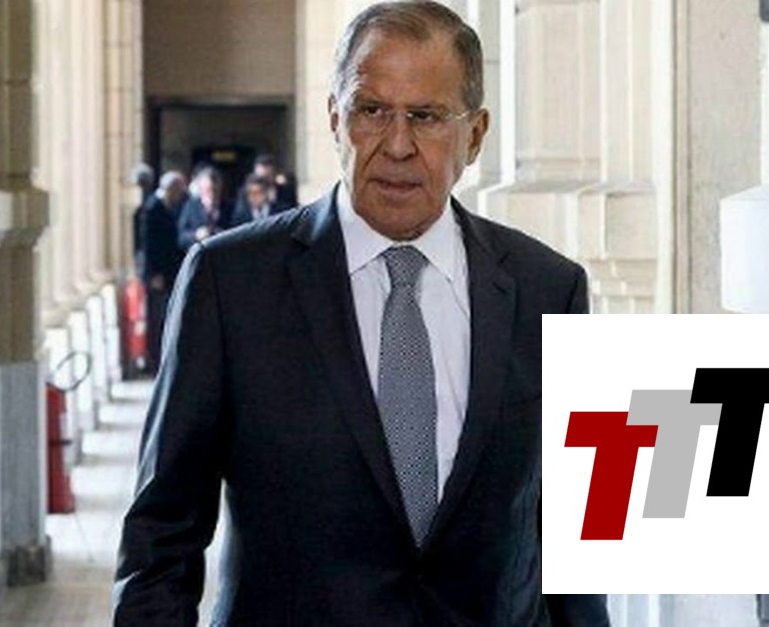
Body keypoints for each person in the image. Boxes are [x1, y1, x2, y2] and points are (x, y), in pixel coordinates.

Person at [115, 2, 609, 625]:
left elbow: (575, 542)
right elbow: (161, 537)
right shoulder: (231, 282)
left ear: (476, 135)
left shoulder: (548, 290)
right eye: (371, 111)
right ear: (334, 118)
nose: (397, 145)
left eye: (426, 117)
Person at [142, 171, 188, 371]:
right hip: (158, 275)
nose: (180, 197)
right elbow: (148, 245)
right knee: (156, 317)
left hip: (169, 272)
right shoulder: (153, 208)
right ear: (170, 189)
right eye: (178, 192)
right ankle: (155, 360)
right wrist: (154, 273)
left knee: (166, 315)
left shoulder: (170, 208)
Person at [177, 166, 232, 251]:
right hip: (199, 255)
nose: (212, 194)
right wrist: (196, 235)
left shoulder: (229, 207)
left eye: (215, 190)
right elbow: (181, 238)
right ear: (201, 190)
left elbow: (239, 232)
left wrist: (224, 234)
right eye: (208, 190)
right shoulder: (191, 206)